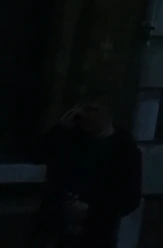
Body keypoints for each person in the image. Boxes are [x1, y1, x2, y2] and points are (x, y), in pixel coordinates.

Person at [34, 103, 142, 246]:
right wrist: (60, 129)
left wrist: (92, 210)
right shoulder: (71, 139)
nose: (83, 115)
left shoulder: (125, 150)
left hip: (96, 234)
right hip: (57, 228)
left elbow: (130, 198)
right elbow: (41, 156)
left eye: (90, 109)